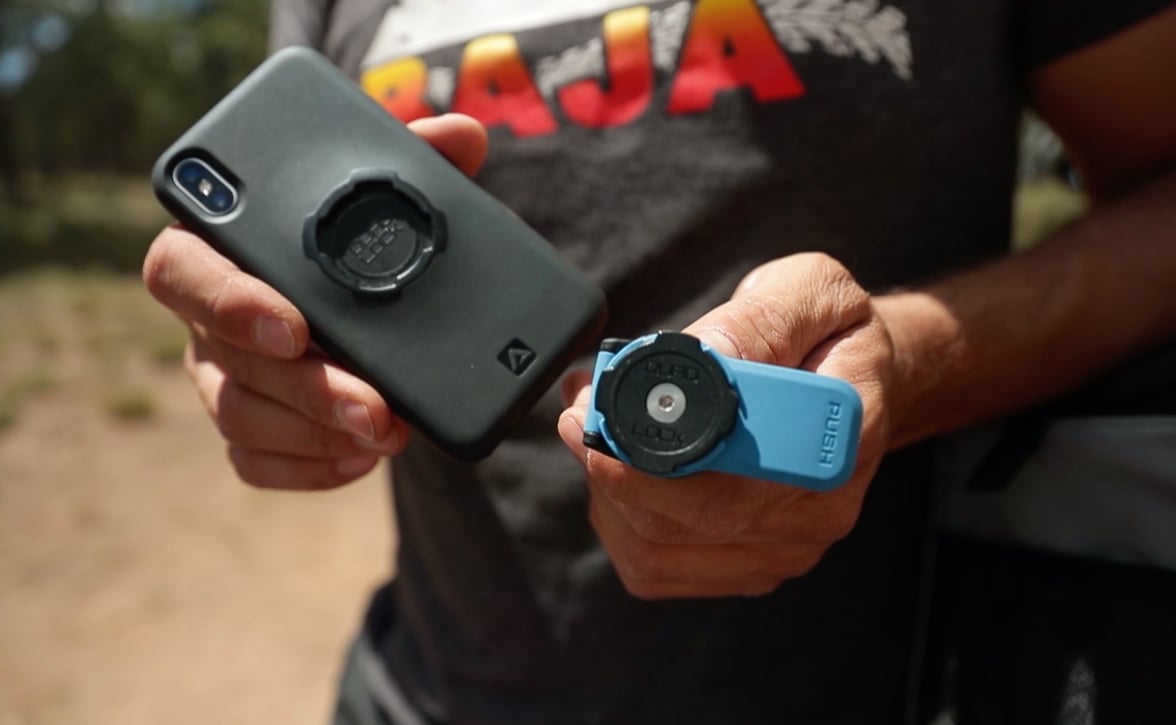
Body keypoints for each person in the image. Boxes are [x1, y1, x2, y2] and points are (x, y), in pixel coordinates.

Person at [143, 1, 1176, 722]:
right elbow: (293, 238)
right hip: (424, 688)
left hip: (886, 686)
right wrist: (258, 349)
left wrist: (911, 362)